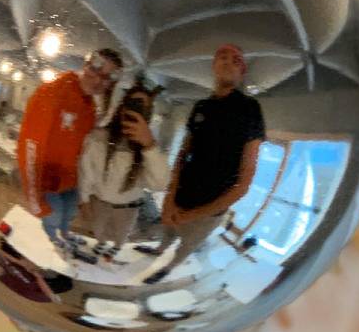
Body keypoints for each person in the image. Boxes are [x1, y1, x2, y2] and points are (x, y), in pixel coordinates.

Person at [147, 43, 264, 283]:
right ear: (214, 65)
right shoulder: (201, 106)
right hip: (180, 197)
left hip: (208, 211)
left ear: (242, 71)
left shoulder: (250, 108)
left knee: (187, 245)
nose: (228, 62)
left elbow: (244, 183)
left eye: (236, 60)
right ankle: (159, 249)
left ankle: (169, 266)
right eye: (223, 57)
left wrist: (195, 214)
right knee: (168, 232)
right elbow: (183, 154)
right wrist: (169, 198)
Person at [17, 48, 122, 251]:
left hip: (71, 182)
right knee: (53, 219)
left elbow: (83, 149)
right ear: (86, 65)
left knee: (67, 217)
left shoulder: (90, 106)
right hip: (47, 183)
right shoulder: (53, 92)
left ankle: (64, 235)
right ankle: (52, 243)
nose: (98, 81)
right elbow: (29, 147)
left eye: (107, 78)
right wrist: (35, 199)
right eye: (96, 70)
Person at [78, 82, 169, 261]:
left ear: (148, 115)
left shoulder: (150, 148)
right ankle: (101, 243)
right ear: (122, 108)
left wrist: (149, 145)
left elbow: (160, 185)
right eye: (133, 105)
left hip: (128, 207)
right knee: (98, 229)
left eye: (143, 109)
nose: (136, 111)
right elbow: (86, 169)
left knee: (122, 234)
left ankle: (116, 248)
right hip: (100, 202)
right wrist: (84, 199)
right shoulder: (99, 137)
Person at [0, 238, 72, 302]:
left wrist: (20, 262)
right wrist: (38, 276)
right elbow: (46, 291)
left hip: (23, 267)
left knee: (7, 240)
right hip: (37, 280)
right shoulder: (25, 289)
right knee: (67, 283)